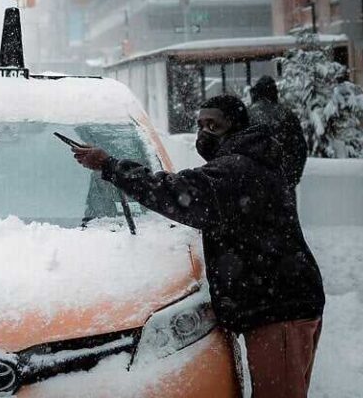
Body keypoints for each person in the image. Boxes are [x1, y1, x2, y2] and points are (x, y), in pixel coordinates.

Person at [71, 95, 325, 398]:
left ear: (235, 127)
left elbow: (174, 192)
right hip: (277, 303)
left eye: (213, 124)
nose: (204, 133)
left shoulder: (237, 170)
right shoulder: (247, 161)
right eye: (200, 125)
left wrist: (109, 165)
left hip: (279, 311)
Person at [248, 75, 308, 188]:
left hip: (255, 186)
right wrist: (291, 179)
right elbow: (300, 149)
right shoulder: (287, 115)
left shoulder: (247, 115)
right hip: (283, 183)